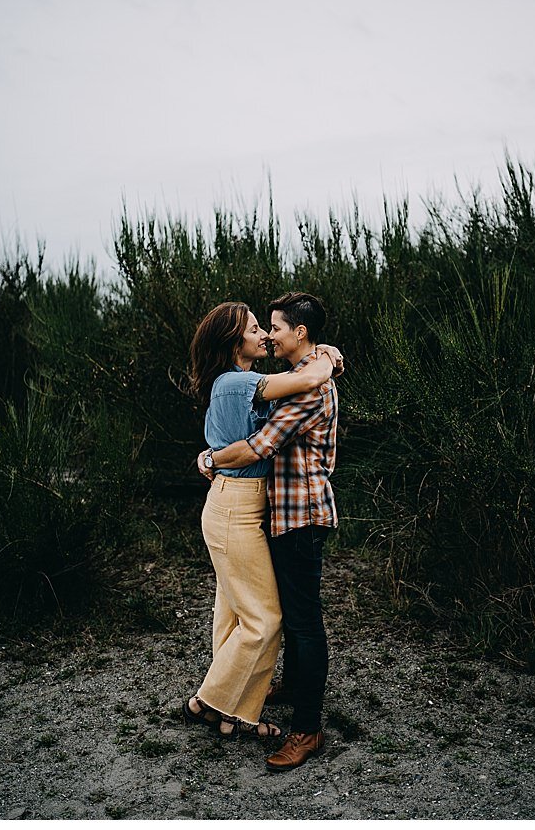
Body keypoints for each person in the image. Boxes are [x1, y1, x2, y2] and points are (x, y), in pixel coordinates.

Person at [178, 302, 339, 743]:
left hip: (245, 505)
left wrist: (323, 350)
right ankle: (209, 701)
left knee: (231, 612)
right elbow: (301, 385)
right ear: (236, 342)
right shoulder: (239, 382)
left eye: (269, 328)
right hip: (237, 506)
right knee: (264, 618)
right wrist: (326, 355)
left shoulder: (243, 382)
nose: (265, 336)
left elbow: (305, 380)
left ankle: (236, 712)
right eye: (256, 329)